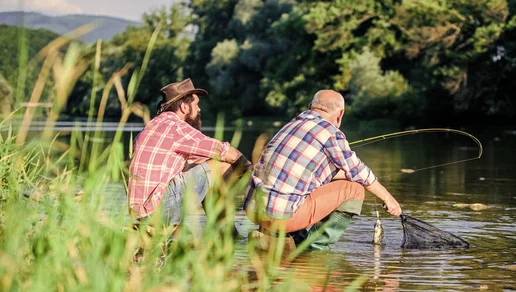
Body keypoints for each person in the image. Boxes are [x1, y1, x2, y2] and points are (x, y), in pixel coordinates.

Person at [244, 89, 401, 250]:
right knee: (355, 189)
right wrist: (388, 199)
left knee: (341, 181)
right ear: (340, 114)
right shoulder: (330, 133)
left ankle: (283, 236)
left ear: (310, 106)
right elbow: (359, 172)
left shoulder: (293, 123)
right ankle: (314, 247)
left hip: (252, 210)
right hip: (280, 217)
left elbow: (315, 172)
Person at [128, 78, 252, 228]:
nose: (199, 109)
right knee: (221, 166)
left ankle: (214, 228)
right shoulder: (176, 127)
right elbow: (225, 151)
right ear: (184, 108)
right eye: (196, 104)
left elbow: (200, 160)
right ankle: (224, 232)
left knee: (204, 165)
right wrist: (252, 172)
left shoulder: (152, 126)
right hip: (157, 211)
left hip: (139, 214)